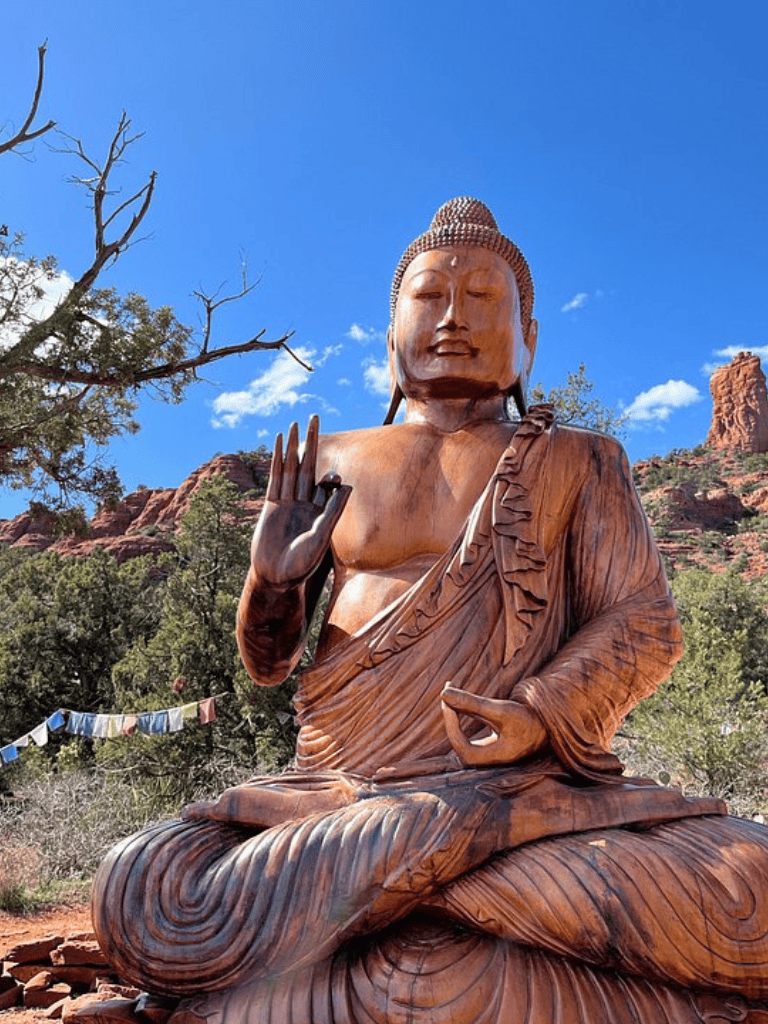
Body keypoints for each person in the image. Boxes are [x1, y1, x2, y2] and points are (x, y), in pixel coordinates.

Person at [92, 199, 768, 1024]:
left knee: (750, 884)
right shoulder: (330, 462)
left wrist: (538, 712)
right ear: (391, 337)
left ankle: (367, 910)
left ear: (528, 340)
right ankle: (457, 905)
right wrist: (270, 585)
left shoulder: (583, 459)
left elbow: (645, 623)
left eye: (482, 298)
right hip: (336, 798)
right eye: (429, 297)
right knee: (143, 883)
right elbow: (269, 665)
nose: (453, 317)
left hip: (523, 801)